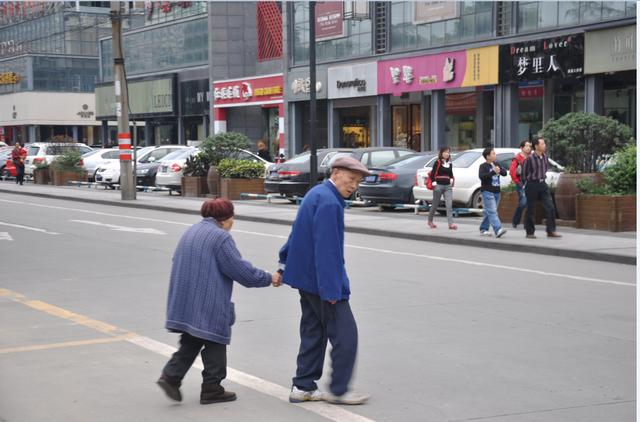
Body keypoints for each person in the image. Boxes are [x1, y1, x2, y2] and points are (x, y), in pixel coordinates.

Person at [157, 198, 282, 405]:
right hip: (206, 297)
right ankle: (212, 388)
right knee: (215, 337)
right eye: (232, 217)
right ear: (225, 219)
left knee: (193, 337)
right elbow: (240, 271)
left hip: (183, 295)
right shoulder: (220, 237)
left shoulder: (191, 231)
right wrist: (269, 278)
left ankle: (171, 376)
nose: (233, 222)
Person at [279, 156, 370, 406]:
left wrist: (283, 262)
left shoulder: (316, 193)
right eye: (351, 179)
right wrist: (331, 290)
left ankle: (303, 386)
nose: (353, 186)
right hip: (322, 283)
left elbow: (296, 232)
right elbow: (327, 251)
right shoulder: (330, 202)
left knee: (313, 331)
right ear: (336, 172)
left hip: (306, 280)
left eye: (357, 182)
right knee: (346, 335)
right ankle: (339, 390)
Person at [522, 137, 562, 239]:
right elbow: (524, 173)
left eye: (544, 144)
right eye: (542, 144)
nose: (545, 146)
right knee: (531, 209)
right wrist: (527, 184)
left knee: (550, 207)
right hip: (532, 185)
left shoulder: (545, 157)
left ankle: (551, 231)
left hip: (542, 184)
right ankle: (530, 232)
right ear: (536, 146)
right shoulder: (529, 159)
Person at [478, 146, 507, 238]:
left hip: (497, 192)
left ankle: (483, 229)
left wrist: (499, 170)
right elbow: (482, 177)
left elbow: (504, 173)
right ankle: (498, 229)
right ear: (487, 156)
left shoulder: (496, 164)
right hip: (487, 191)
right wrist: (493, 172)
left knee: (489, 211)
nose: (495, 155)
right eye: (493, 153)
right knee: (492, 211)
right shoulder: (483, 166)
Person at [427, 146, 456, 230]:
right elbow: (433, 174)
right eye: (445, 152)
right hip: (438, 186)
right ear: (441, 153)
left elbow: (450, 174)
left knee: (449, 205)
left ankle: (451, 224)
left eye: (448, 152)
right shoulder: (438, 162)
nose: (447, 154)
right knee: (435, 205)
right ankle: (430, 220)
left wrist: (451, 179)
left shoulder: (450, 164)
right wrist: (434, 183)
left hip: (448, 187)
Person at [509, 140, 531, 228]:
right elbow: (512, 172)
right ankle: (515, 221)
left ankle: (527, 224)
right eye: (526, 146)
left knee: (529, 203)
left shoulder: (531, 157)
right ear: (521, 148)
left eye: (530, 146)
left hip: (530, 182)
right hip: (521, 183)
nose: (529, 148)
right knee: (523, 202)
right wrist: (518, 183)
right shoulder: (517, 158)